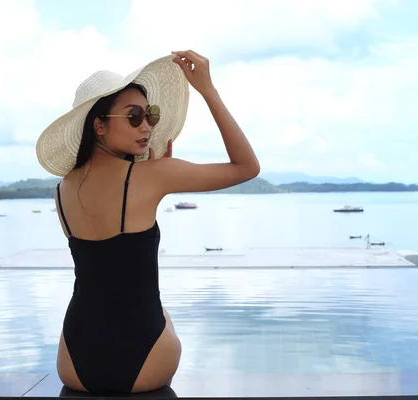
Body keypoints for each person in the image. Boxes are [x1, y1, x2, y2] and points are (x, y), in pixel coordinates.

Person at [35, 50, 260, 394]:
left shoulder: (62, 188)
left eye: (149, 115)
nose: (146, 126)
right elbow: (247, 167)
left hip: (74, 360)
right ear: (98, 124)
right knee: (161, 309)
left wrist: (154, 176)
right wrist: (208, 91)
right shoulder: (151, 175)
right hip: (144, 360)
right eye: (134, 116)